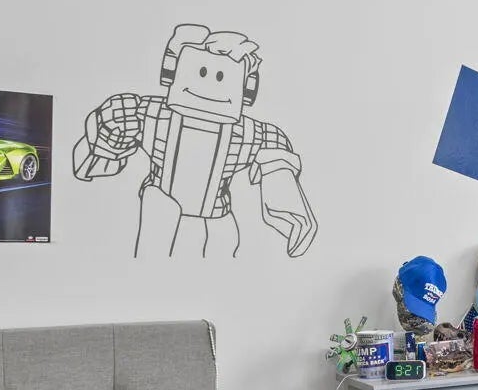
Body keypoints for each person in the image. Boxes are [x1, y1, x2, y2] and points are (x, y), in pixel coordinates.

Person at [73, 25, 317, 258]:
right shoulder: (151, 116)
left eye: (222, 76)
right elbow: (106, 141)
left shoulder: (249, 134)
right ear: (171, 71)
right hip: (159, 215)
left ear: (247, 89)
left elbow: (274, 158)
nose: (210, 83)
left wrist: (286, 202)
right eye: (201, 71)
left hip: (216, 225)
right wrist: (96, 156)